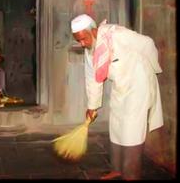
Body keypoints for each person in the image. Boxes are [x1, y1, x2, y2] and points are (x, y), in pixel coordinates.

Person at [70, 14, 164, 180]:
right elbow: (93, 77)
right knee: (116, 126)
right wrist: (91, 106)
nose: (82, 43)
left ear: (93, 31)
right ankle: (117, 169)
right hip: (121, 87)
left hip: (138, 86)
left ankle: (131, 174)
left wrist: (151, 67)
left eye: (83, 39)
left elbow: (147, 44)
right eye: (78, 40)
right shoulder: (91, 49)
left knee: (131, 130)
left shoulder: (117, 35)